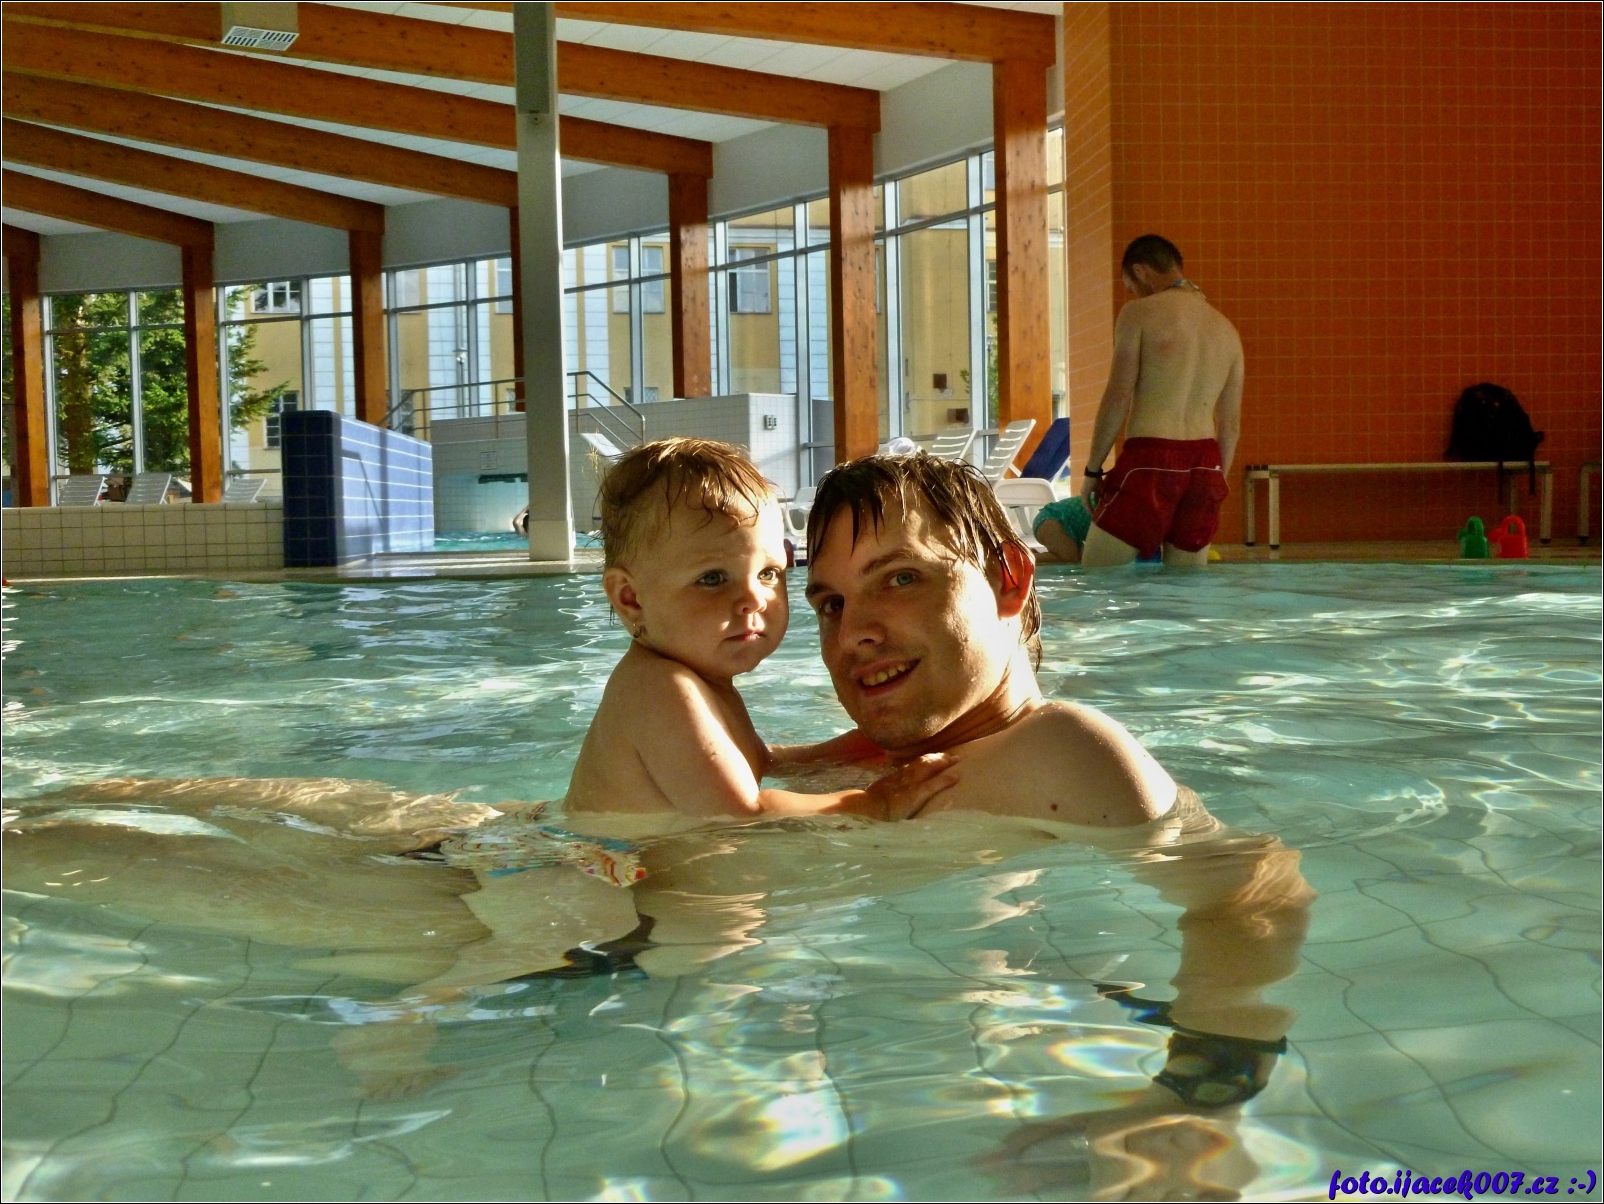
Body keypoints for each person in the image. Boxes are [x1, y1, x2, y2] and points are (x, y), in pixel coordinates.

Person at [1077, 234, 1244, 568]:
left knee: (1096, 579)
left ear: (1141, 271)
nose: (1134, 295)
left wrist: (1093, 469)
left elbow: (1118, 396)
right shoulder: (1227, 330)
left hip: (1151, 458)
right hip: (1206, 465)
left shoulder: (1138, 313)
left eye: (1131, 286)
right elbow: (1230, 424)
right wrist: (1216, 483)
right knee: (1185, 591)